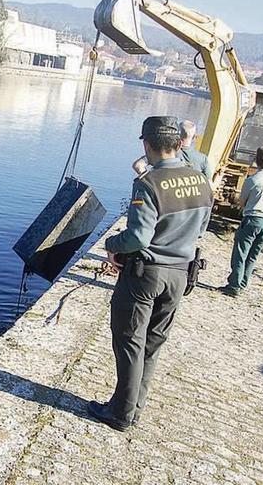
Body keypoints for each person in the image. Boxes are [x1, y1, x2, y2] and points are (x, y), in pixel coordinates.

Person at [88, 116, 213, 431]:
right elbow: (200, 228)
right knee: (154, 343)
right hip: (181, 273)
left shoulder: (149, 183)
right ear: (178, 143)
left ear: (147, 145)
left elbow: (138, 238)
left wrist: (111, 243)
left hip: (146, 274)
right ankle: (132, 407)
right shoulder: (200, 180)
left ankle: (120, 413)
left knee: (129, 341)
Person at [220, 147, 263, 297]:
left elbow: (242, 203)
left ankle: (234, 285)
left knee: (241, 253)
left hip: (252, 219)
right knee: (253, 255)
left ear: (256, 160)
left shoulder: (252, 180)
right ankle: (243, 283)